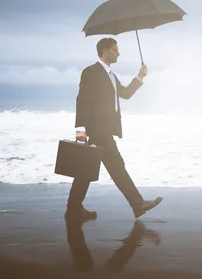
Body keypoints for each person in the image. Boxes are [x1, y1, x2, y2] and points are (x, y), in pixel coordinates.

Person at [65, 37, 162, 220]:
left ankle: (73, 208)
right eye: (115, 50)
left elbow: (125, 94)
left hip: (105, 130)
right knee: (116, 167)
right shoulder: (91, 72)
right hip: (97, 131)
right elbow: (82, 101)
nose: (118, 53)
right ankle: (138, 204)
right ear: (105, 51)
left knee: (86, 170)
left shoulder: (111, 75)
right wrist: (80, 129)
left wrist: (140, 76)